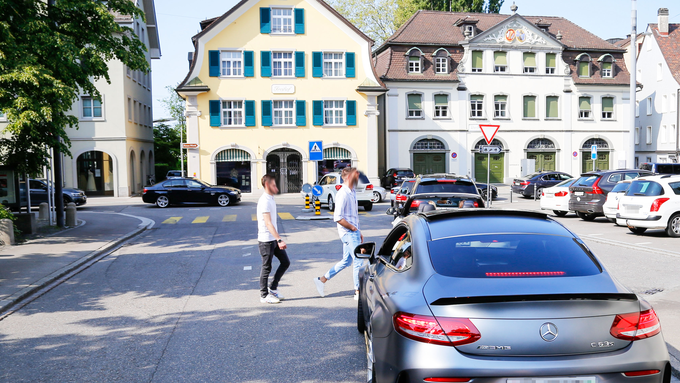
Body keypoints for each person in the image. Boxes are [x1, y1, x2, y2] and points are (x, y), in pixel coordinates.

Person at [314, 167, 363, 300]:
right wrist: (353, 229)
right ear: (347, 177)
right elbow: (338, 217)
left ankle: (322, 279)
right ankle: (358, 291)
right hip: (348, 232)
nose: (357, 177)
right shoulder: (343, 193)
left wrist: (358, 230)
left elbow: (353, 215)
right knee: (358, 260)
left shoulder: (352, 191)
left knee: (346, 261)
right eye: (355, 175)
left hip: (353, 231)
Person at [257, 174, 291, 304]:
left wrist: (276, 239)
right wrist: (279, 239)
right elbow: (268, 223)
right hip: (266, 240)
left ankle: (273, 288)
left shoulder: (270, 198)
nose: (276, 187)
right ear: (267, 185)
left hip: (273, 239)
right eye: (273, 185)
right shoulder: (264, 200)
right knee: (266, 267)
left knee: (285, 262)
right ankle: (264, 295)